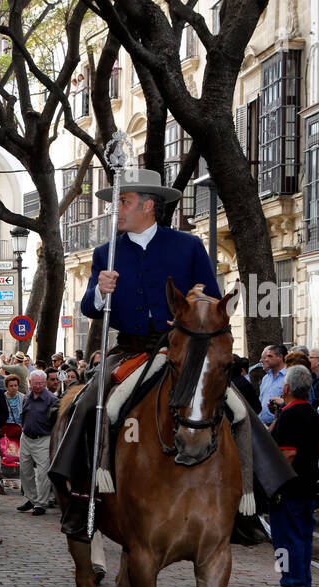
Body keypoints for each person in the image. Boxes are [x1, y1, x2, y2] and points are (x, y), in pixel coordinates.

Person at [49, 166, 220, 540]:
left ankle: (249, 500)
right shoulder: (105, 253)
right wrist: (100, 291)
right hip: (129, 351)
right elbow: (89, 310)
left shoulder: (188, 246)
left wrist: (197, 300)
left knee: (236, 405)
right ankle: (78, 494)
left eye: (123, 202)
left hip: (180, 350)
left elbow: (214, 299)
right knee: (88, 405)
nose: (117, 211)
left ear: (148, 206)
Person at [264, 366, 319, 587]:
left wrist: (269, 480)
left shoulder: (290, 415)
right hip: (308, 484)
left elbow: (287, 454)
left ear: (286, 388)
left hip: (288, 488)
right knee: (303, 538)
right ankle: (302, 583)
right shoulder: (312, 413)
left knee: (285, 541)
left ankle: (290, 585)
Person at [17, 370, 58, 516]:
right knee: (25, 471)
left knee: (43, 473)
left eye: (41, 383)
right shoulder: (27, 397)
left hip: (43, 438)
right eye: (35, 383)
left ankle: (41, 503)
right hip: (26, 437)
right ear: (30, 383)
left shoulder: (51, 399)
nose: (38, 386)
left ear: (45, 383)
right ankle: (32, 499)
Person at [257, 345, 287, 425]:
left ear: (280, 357)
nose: (266, 359)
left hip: (280, 425)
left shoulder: (289, 377)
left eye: (269, 356)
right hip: (262, 425)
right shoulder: (266, 378)